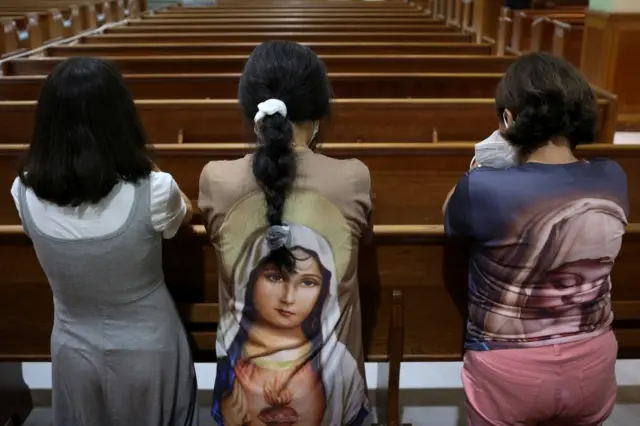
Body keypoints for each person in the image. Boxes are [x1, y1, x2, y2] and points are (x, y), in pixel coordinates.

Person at [11, 57, 198, 425]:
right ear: (121, 116)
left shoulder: (23, 189)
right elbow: (182, 217)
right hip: (149, 348)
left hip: (73, 350)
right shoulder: (155, 189)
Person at [443, 52, 628, 426]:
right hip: (593, 358)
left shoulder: (483, 188)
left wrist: (480, 167)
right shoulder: (614, 177)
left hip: (509, 367)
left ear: (508, 119)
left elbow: (451, 218)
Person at [198, 40, 373, 426]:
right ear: (320, 110)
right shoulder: (353, 177)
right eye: (275, 276)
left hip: (242, 396)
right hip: (331, 404)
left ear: (249, 109)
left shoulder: (216, 178)